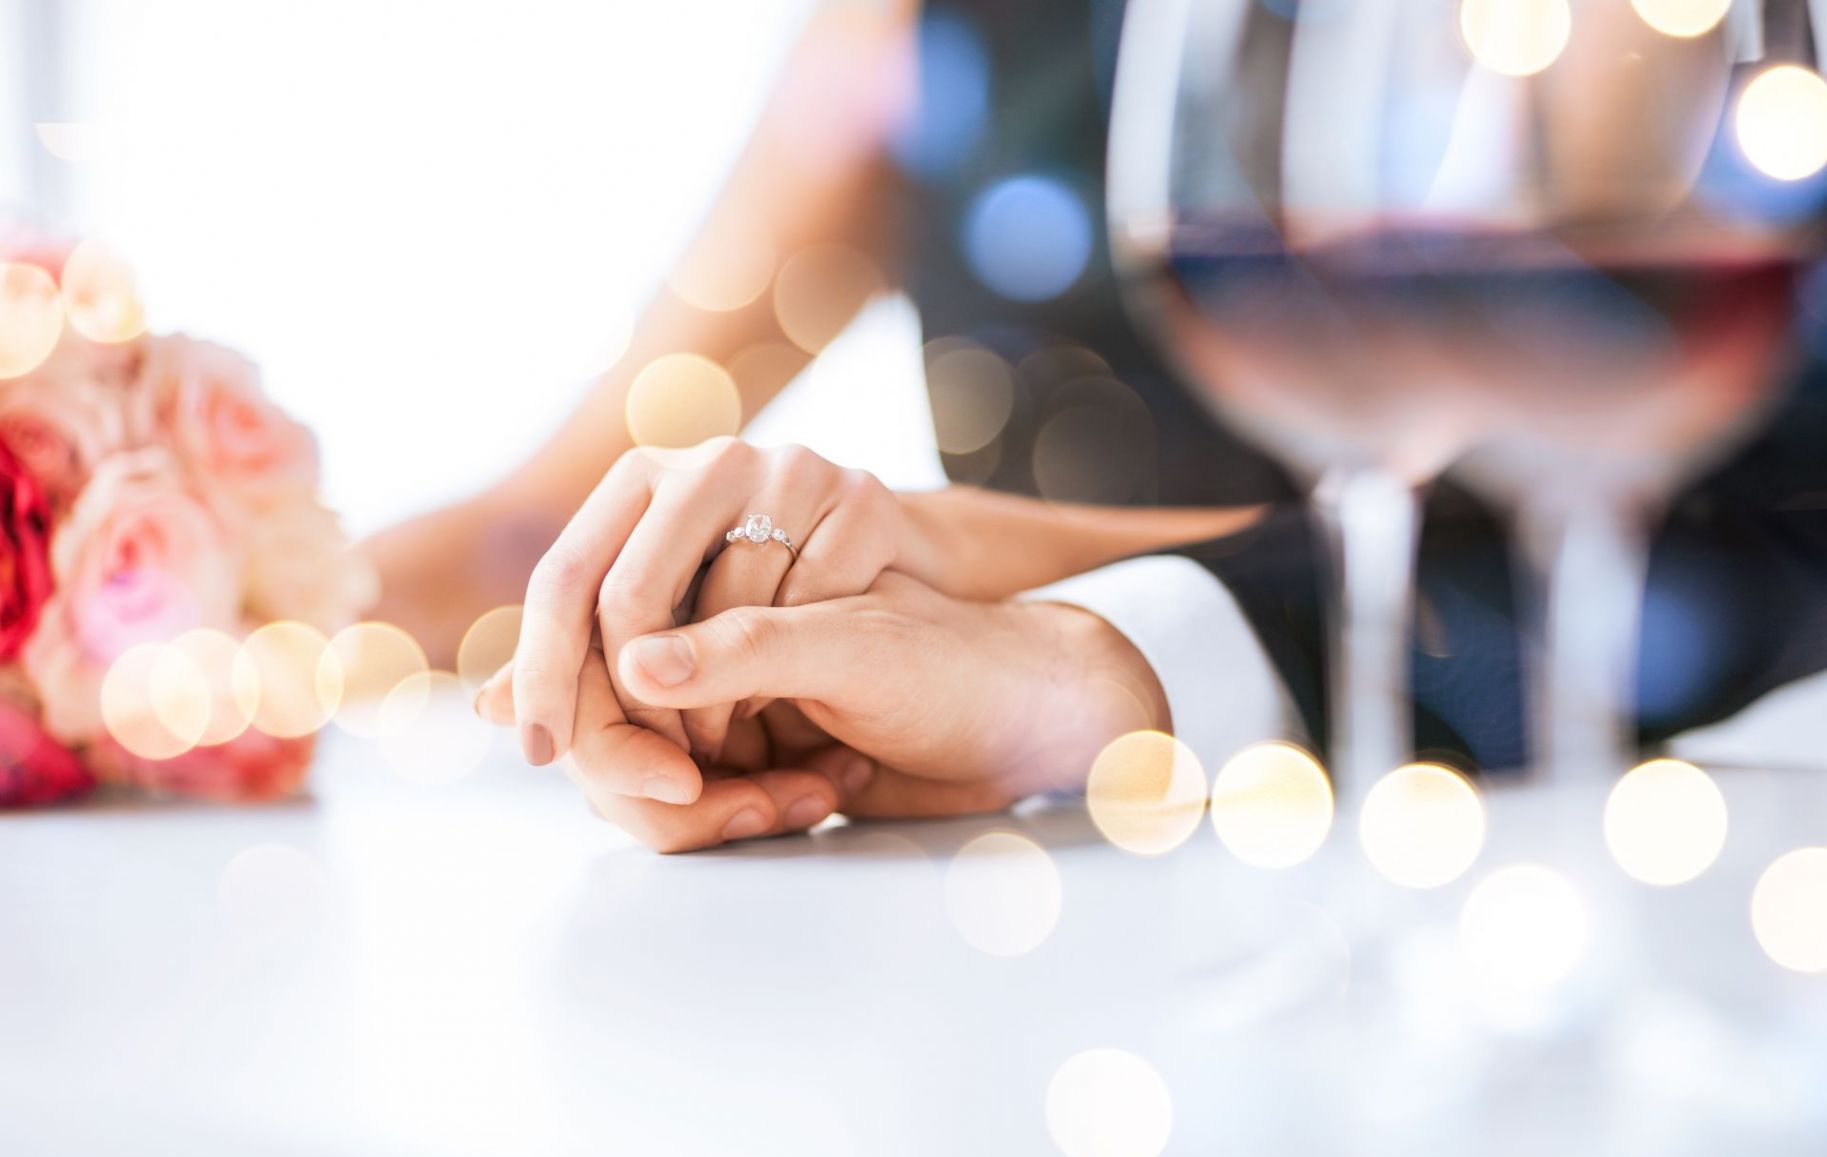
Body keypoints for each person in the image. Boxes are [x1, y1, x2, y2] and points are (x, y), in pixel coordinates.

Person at [374, 0, 1827, 851]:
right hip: (1042, 898)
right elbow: (534, 534)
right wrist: (227, 599)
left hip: (1526, 865)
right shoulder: (912, 33)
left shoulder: (1585, 43)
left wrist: (1033, 599)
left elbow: (1676, 520)